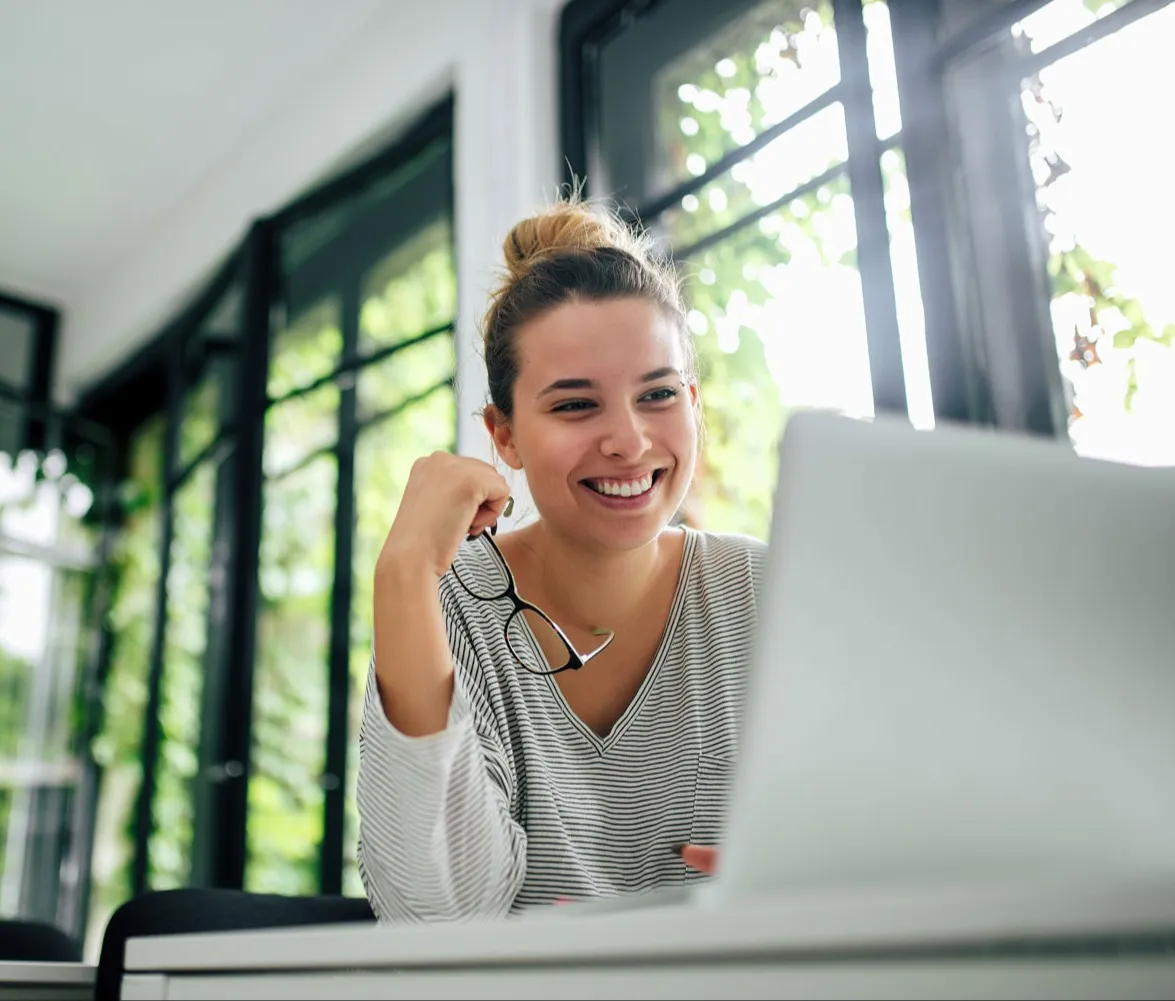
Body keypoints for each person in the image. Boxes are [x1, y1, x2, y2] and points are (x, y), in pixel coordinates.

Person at [356, 196, 766, 923]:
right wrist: (402, 573)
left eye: (659, 394)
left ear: (693, 403)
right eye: (576, 405)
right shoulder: (450, 605)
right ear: (504, 435)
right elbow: (437, 919)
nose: (629, 441)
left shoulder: (765, 595)